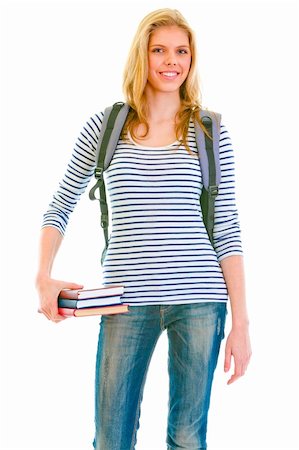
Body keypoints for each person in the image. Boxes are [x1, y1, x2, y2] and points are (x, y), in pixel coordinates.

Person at [36, 8, 252, 450]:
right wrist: (42, 275)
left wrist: (242, 322)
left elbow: (228, 230)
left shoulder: (210, 133)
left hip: (199, 298)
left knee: (188, 439)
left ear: (191, 60)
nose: (170, 61)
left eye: (180, 51)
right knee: (111, 439)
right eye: (159, 50)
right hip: (124, 300)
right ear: (142, 55)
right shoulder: (106, 127)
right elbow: (60, 204)